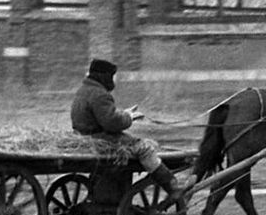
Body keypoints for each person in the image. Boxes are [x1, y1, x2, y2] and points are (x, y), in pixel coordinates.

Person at [71, 58, 194, 194]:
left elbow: (102, 116)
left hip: (86, 137)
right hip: (101, 139)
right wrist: (129, 117)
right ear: (104, 76)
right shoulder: (100, 94)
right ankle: (173, 186)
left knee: (140, 144)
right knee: (145, 148)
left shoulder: (84, 90)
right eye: (111, 76)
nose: (113, 80)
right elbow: (112, 123)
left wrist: (124, 113)